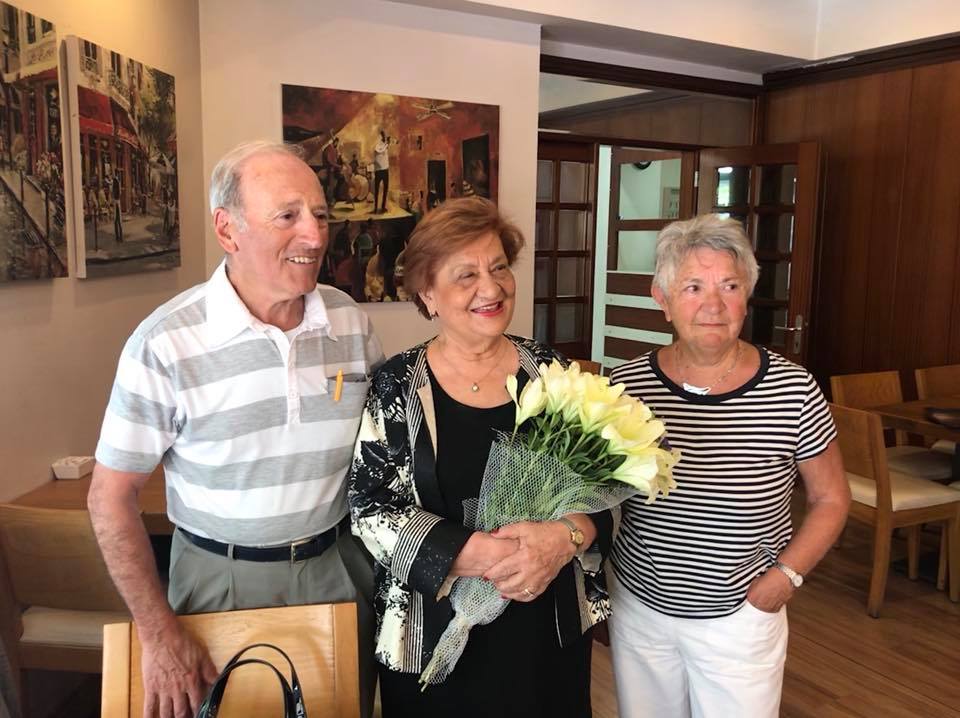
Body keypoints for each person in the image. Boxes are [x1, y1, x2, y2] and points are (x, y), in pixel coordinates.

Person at [88, 140, 384, 718]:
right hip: (217, 580)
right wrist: (157, 632)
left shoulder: (350, 321)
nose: (314, 235)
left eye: (319, 214)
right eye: (287, 216)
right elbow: (109, 497)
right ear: (228, 230)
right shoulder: (166, 342)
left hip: (337, 566)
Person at [348, 197, 614, 718]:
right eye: (466, 275)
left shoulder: (551, 371)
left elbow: (602, 487)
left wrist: (564, 537)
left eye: (498, 268)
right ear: (428, 293)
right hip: (431, 633)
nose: (490, 289)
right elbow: (370, 506)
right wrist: (473, 553)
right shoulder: (396, 385)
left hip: (544, 627)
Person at [606, 214, 850, 718]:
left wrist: (785, 577)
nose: (713, 304)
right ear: (662, 298)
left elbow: (830, 498)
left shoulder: (793, 389)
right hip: (640, 608)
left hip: (740, 616)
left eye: (729, 286)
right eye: (693, 287)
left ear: (747, 296)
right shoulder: (625, 387)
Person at [373, 130, 389, 213]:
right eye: (382, 136)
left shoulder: (385, 145)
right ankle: (376, 207)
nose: (383, 138)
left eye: (383, 136)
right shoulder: (377, 146)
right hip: (378, 170)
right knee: (376, 190)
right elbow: (379, 150)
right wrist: (386, 145)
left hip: (385, 169)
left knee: (385, 189)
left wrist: (387, 144)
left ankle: (383, 207)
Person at [111, 172, 123, 242]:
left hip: (116, 202)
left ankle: (119, 236)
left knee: (117, 220)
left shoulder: (116, 181)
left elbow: (116, 191)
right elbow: (117, 192)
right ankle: (119, 237)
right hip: (116, 202)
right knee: (117, 221)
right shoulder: (116, 181)